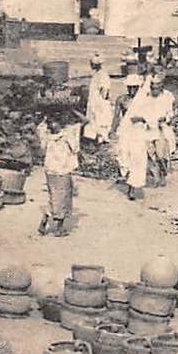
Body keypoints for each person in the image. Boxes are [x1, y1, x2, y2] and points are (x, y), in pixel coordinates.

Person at [36, 109, 81, 237]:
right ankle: (58, 228)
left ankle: (45, 219)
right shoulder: (67, 134)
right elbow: (76, 147)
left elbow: (41, 126)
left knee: (54, 196)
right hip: (62, 170)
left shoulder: (46, 135)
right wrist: (73, 110)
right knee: (63, 198)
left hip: (50, 170)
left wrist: (47, 117)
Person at [113, 75, 152, 201]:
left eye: (134, 88)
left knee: (137, 158)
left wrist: (141, 119)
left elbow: (151, 117)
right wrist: (112, 130)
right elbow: (116, 117)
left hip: (138, 132)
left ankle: (132, 188)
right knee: (122, 156)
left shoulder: (144, 100)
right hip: (125, 131)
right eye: (130, 88)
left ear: (138, 87)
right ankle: (127, 175)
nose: (132, 90)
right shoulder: (121, 100)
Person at [141, 72, 177, 187]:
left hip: (162, 128)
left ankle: (163, 174)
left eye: (157, 87)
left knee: (161, 155)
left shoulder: (168, 96)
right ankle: (155, 175)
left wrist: (166, 118)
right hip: (148, 128)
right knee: (149, 153)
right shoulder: (146, 96)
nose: (154, 90)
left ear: (161, 86)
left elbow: (172, 112)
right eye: (152, 87)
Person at [83, 55, 114, 144]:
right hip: (95, 100)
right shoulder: (97, 74)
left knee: (101, 118)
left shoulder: (103, 74)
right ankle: (95, 137)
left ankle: (103, 137)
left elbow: (105, 89)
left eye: (92, 64)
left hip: (99, 100)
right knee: (94, 118)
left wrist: (103, 100)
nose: (91, 65)